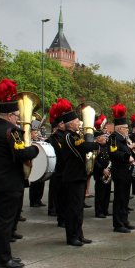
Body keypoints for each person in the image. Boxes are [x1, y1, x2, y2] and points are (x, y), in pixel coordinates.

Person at [0, 79, 39, 268]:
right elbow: (22, 153)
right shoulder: (11, 131)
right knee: (4, 222)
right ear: (9, 115)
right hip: (8, 181)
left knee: (1, 220)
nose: (18, 118)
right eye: (17, 115)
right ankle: (2, 258)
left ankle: (3, 255)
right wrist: (35, 149)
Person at [59, 101, 98, 246]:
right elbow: (81, 149)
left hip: (79, 175)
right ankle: (72, 237)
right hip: (72, 176)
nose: (79, 122)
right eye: (77, 120)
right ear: (70, 123)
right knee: (73, 209)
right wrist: (96, 143)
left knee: (79, 208)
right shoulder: (69, 136)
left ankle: (79, 234)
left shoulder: (76, 135)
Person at [109, 103, 135, 233]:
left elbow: (125, 152)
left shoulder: (123, 139)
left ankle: (125, 220)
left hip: (126, 171)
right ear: (120, 128)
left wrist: (134, 157)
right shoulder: (113, 138)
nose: (128, 130)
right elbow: (113, 152)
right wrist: (127, 157)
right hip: (119, 171)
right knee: (119, 198)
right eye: (126, 128)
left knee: (125, 198)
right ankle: (118, 223)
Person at [46, 102, 66, 226]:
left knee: (61, 192)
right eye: (63, 123)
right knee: (55, 190)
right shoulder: (54, 137)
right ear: (59, 125)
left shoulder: (65, 135)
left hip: (63, 168)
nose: (65, 124)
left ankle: (58, 210)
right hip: (56, 167)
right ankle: (53, 208)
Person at [92, 115, 111, 218]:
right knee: (100, 193)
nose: (105, 138)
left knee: (107, 192)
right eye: (103, 137)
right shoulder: (96, 147)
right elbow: (94, 161)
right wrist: (102, 169)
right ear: (98, 139)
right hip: (100, 173)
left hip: (108, 171)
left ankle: (105, 209)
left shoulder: (107, 146)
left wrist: (109, 169)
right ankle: (98, 211)